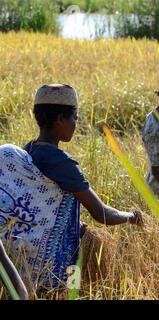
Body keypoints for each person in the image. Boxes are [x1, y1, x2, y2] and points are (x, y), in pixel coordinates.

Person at [0, 84, 142, 292]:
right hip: (47, 268)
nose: (76, 124)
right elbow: (101, 213)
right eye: (74, 118)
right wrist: (131, 216)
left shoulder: (29, 150)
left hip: (16, 256)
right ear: (60, 119)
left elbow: (38, 209)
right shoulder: (63, 163)